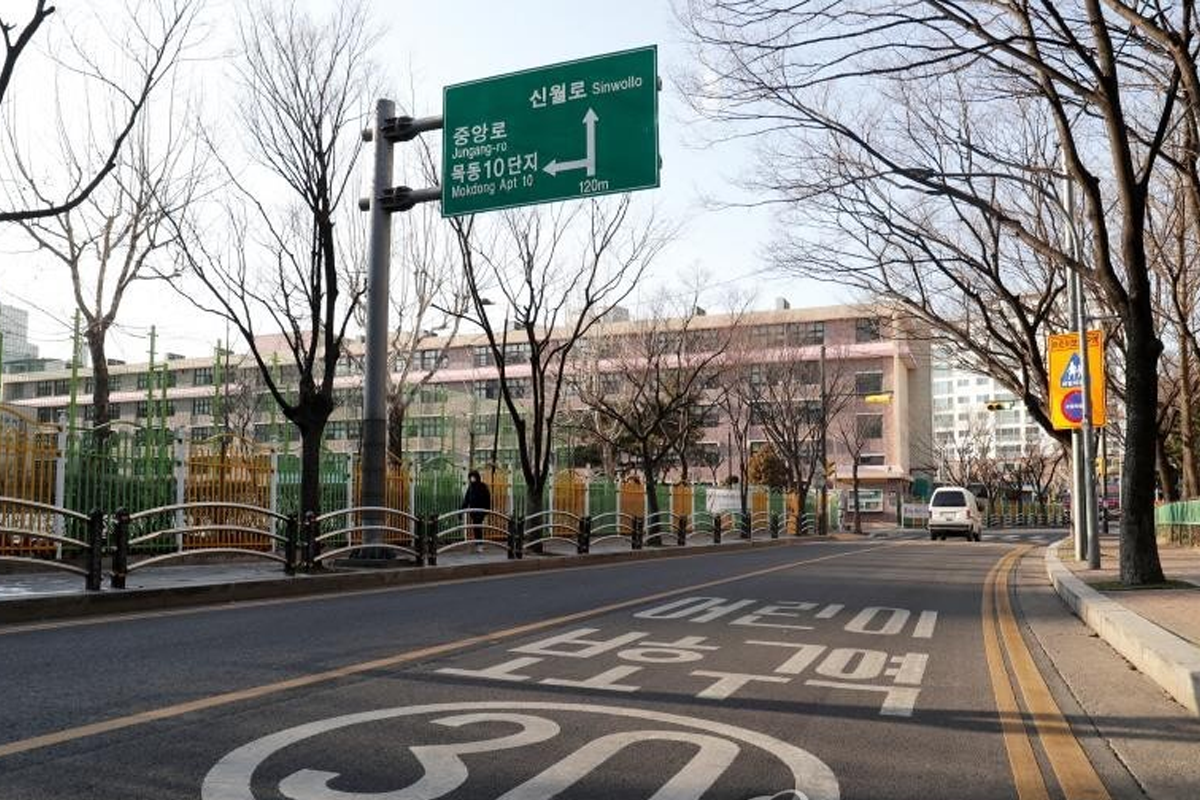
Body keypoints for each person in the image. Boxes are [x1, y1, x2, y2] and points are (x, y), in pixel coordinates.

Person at [461, 469, 491, 551]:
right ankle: (479, 543)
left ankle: (479, 544)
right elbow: (466, 500)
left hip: (481, 510)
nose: (472, 479)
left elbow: (487, 498)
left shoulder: (483, 486)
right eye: (471, 477)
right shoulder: (470, 488)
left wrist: (487, 510)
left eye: (473, 477)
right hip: (473, 511)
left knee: (478, 526)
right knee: (476, 527)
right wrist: (461, 511)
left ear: (477, 477)